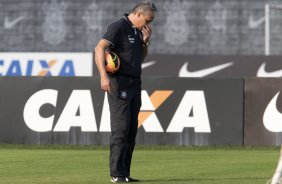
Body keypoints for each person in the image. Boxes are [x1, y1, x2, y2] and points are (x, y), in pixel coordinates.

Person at [94, 1, 157, 183]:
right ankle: (116, 174)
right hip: (118, 83)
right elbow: (99, 48)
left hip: (134, 82)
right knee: (120, 129)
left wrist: (145, 42)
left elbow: (139, 58)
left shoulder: (138, 31)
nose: (148, 25)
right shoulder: (118, 26)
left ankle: (125, 173)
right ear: (138, 14)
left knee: (131, 131)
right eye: (147, 20)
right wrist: (103, 77)